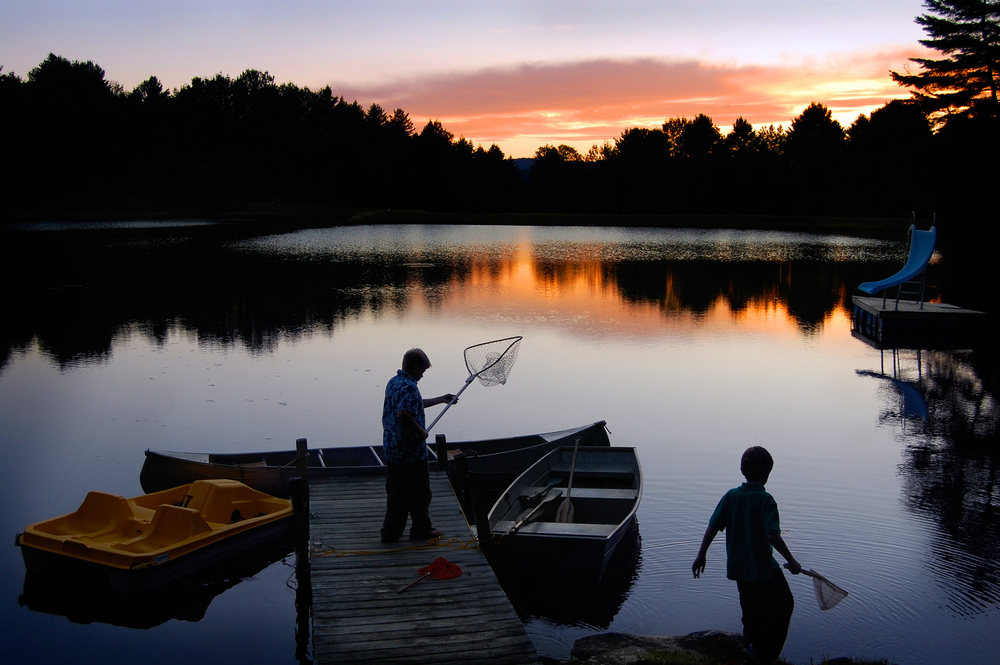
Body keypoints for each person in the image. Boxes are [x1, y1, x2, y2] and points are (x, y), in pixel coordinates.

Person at [692, 446, 802, 665]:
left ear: (743, 470)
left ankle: (750, 652)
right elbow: (772, 535)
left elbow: (713, 526)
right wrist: (792, 561)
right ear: (768, 472)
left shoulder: (731, 496)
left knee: (752, 615)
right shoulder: (766, 500)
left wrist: (701, 554)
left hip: (740, 569)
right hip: (763, 570)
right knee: (783, 607)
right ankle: (761, 653)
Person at [380, 348, 456, 543]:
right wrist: (421, 432)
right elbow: (404, 413)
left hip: (392, 449)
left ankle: (391, 532)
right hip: (411, 452)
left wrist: (441, 399)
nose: (422, 375)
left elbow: (411, 404)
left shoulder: (395, 382)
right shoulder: (410, 387)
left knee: (396, 494)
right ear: (415, 367)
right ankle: (421, 529)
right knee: (419, 492)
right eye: (422, 371)